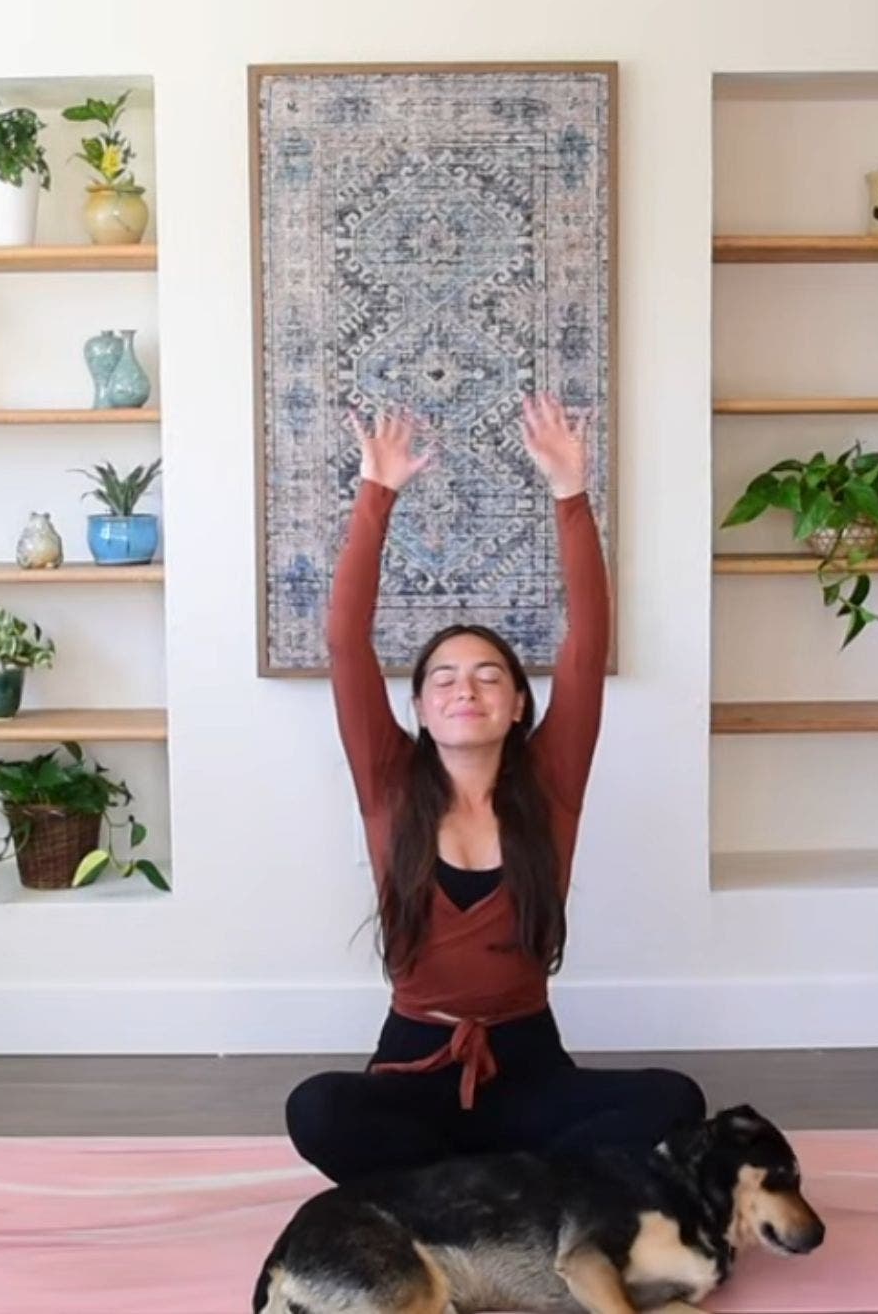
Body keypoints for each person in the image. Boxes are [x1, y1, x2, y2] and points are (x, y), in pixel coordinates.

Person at [283, 392, 706, 1186]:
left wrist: (569, 493)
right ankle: (508, 1182)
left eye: (488, 677)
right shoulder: (388, 785)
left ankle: (457, 1185)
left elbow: (588, 642)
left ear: (518, 705)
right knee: (317, 1109)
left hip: (529, 1065)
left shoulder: (551, 784)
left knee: (676, 1100)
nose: (464, 690)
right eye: (443, 678)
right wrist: (377, 492)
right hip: (414, 1063)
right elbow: (346, 644)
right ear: (417, 708)